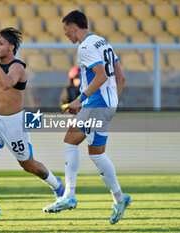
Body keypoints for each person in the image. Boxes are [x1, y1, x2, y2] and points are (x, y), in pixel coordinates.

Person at [0, 27, 64, 226]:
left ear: (11, 47)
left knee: (28, 166)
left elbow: (7, 84)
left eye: (0, 43)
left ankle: (57, 185)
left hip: (14, 123)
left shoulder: (17, 67)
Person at [43, 10, 130, 225]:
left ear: (74, 27)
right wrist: (111, 102)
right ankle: (119, 198)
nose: (65, 35)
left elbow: (100, 75)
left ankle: (69, 195)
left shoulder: (85, 47)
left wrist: (80, 99)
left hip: (96, 105)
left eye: (65, 30)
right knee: (94, 152)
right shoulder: (103, 42)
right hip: (107, 105)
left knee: (73, 143)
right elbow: (121, 77)